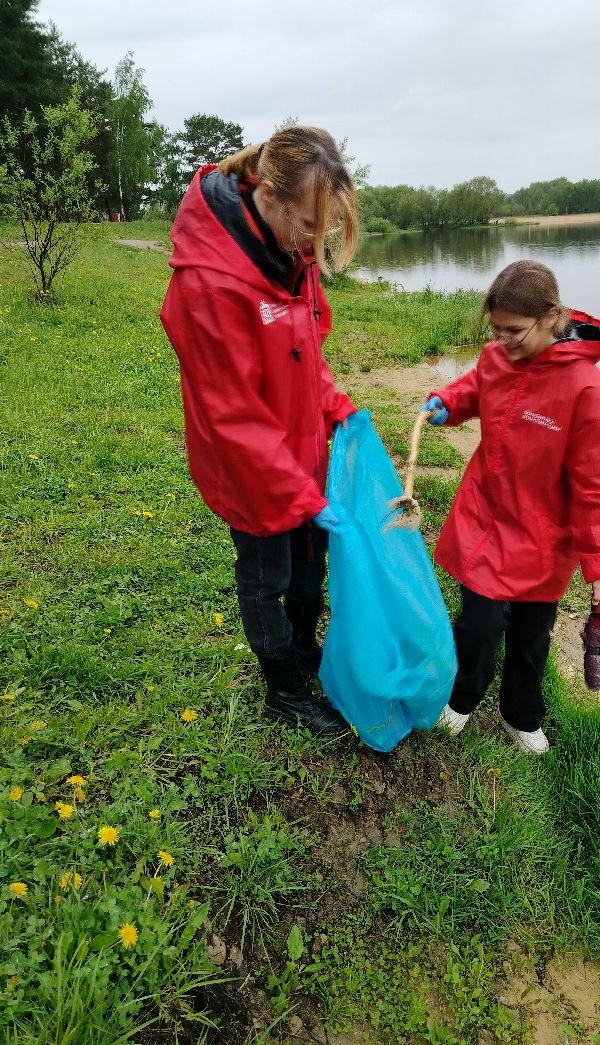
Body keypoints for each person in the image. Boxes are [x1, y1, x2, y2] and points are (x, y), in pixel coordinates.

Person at [160, 126, 360, 736]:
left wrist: (338, 408)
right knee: (267, 576)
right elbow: (232, 417)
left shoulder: (292, 254)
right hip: (247, 465)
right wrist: (301, 497)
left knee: (309, 568)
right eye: (306, 224)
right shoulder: (210, 282)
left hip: (301, 450)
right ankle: (282, 690)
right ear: (267, 195)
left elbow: (306, 355)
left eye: (321, 231)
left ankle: (304, 651)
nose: (313, 243)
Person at [422, 260, 600, 753]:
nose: (502, 341)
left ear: (552, 316)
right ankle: (463, 698)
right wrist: (448, 402)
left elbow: (598, 485)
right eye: (496, 329)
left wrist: (599, 560)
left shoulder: (589, 392)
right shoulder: (497, 358)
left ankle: (522, 715)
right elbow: (475, 388)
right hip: (486, 517)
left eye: (514, 330)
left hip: (543, 534)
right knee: (479, 624)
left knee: (532, 637)